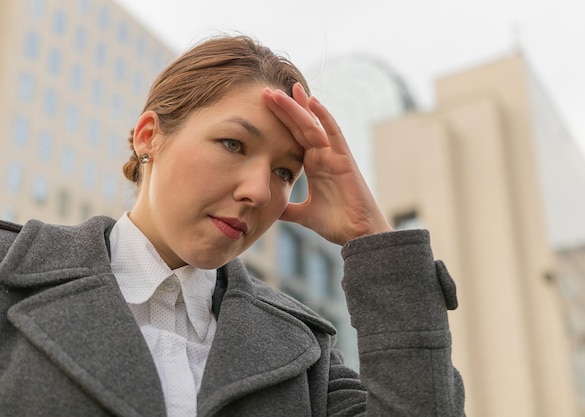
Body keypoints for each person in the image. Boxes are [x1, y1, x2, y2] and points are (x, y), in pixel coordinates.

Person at [0, 35, 465, 416]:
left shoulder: (307, 355)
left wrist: (371, 239)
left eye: (285, 172)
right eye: (233, 144)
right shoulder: (12, 274)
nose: (260, 191)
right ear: (149, 137)